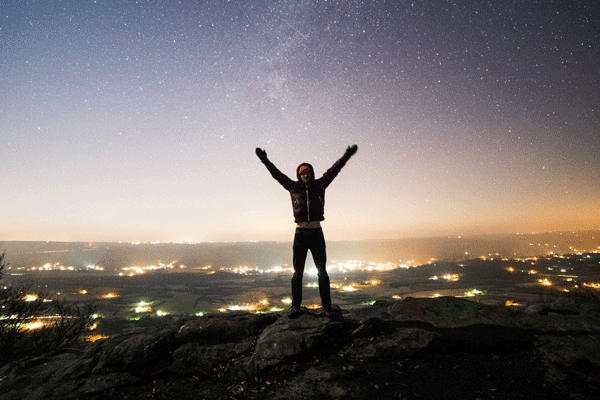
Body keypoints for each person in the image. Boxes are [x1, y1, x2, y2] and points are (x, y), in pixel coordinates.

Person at [255, 145, 358, 318]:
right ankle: (295, 306)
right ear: (299, 175)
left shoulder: (320, 184)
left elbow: (335, 170)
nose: (305, 175)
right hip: (301, 234)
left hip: (317, 232)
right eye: (302, 173)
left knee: (322, 271)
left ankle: (327, 306)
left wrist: (346, 156)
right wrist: (265, 160)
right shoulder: (293, 187)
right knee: (298, 272)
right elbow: (277, 175)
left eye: (308, 172)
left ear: (312, 174)